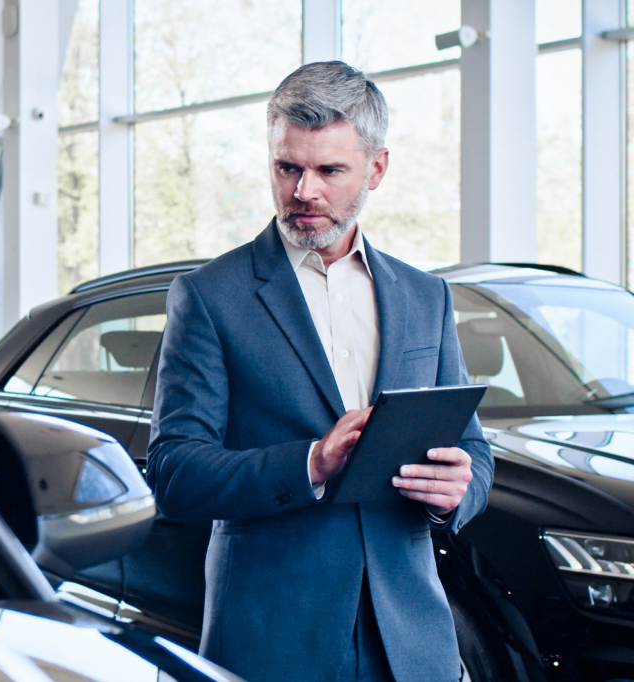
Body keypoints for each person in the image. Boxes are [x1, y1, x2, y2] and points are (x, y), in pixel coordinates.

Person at [146, 61, 493, 682]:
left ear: (376, 168)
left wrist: (457, 493)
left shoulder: (426, 297)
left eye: (329, 171)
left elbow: (473, 450)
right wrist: (311, 462)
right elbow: (174, 471)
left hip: (411, 643)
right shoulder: (209, 296)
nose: (304, 191)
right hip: (272, 638)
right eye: (288, 168)